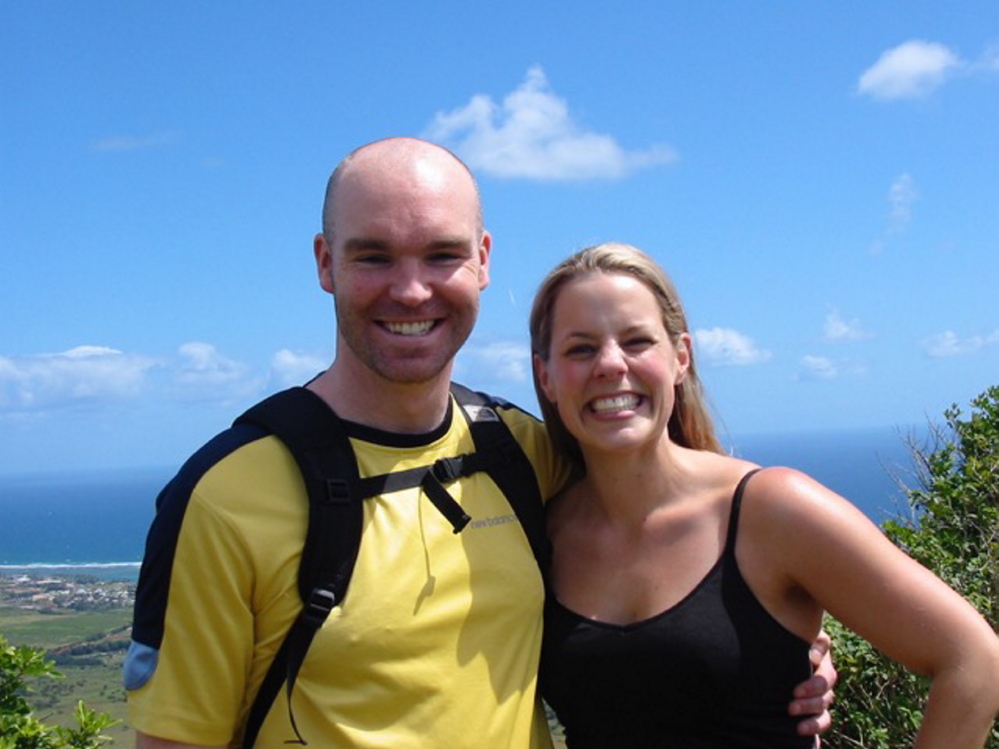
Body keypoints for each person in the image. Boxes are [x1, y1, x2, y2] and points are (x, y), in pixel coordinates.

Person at [124, 139, 836, 749]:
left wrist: (772, 652)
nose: (410, 291)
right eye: (373, 256)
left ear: (483, 259)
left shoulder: (526, 453)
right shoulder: (226, 496)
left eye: (441, 255)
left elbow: (670, 564)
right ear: (324, 263)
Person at [529, 241, 999, 748]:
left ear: (681, 357)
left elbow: (973, 660)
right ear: (546, 377)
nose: (610, 365)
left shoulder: (768, 511)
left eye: (637, 341)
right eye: (580, 348)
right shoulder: (543, 534)